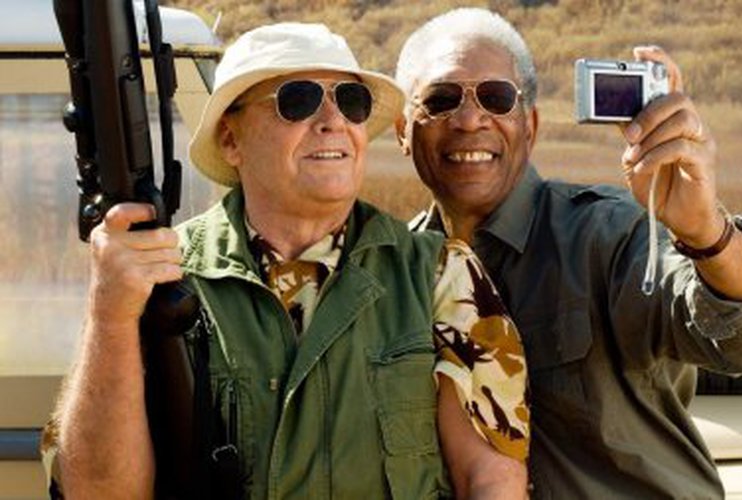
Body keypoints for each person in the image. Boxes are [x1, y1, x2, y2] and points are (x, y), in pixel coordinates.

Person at [47, 23, 530, 499]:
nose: (333, 121)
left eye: (351, 101)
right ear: (231, 139)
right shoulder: (157, 277)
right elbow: (95, 492)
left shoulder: (439, 274)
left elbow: (490, 478)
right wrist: (110, 317)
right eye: (298, 100)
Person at [395, 7, 742, 499]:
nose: (470, 119)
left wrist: (706, 232)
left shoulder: (606, 234)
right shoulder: (395, 273)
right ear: (403, 130)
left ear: (530, 125)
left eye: (496, 98)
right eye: (441, 99)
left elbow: (735, 338)